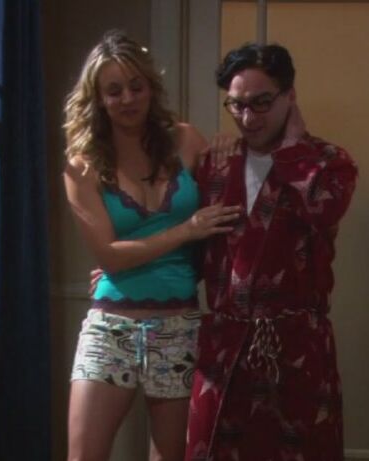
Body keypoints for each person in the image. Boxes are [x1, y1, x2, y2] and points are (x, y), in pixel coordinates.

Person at [63, 30, 241, 461]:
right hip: (112, 325)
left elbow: (228, 223)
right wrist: (185, 230)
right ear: (98, 99)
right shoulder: (82, 165)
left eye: (135, 86)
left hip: (179, 324)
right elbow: (108, 255)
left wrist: (229, 148)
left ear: (150, 87)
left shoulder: (186, 141)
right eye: (114, 91)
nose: (127, 98)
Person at [185, 43, 358, 461]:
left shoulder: (329, 163)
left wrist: (294, 151)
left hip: (297, 348)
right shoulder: (215, 165)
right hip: (224, 349)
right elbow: (191, 251)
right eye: (237, 105)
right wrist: (134, 271)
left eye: (261, 103)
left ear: (289, 95)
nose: (248, 118)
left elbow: (324, 210)